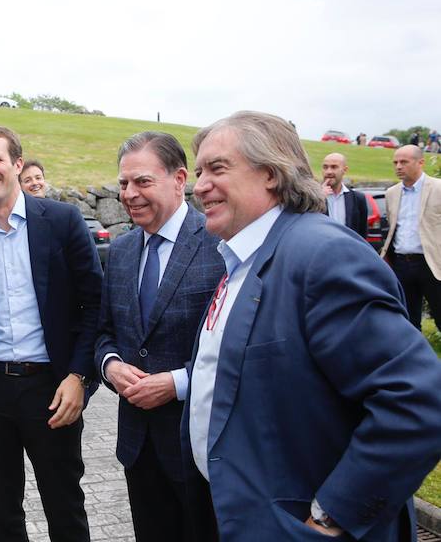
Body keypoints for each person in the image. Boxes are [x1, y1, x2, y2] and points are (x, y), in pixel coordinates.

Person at [185, 111, 441, 541]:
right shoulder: (242, 258)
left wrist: (331, 517)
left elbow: (419, 401)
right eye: (198, 172)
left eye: (217, 168)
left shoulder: (322, 254)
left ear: (270, 173)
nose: (200, 185)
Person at [0, 124, 102, 541]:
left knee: (64, 505)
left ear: (17, 164)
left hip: (51, 387)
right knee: (2, 511)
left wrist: (79, 376)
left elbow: (94, 305)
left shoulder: (62, 221)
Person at [95, 131, 223, 542]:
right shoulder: (120, 252)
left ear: (179, 178)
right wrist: (111, 366)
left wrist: (177, 383)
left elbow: (236, 347)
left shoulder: (221, 244)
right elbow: (104, 333)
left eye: (142, 181)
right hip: (138, 447)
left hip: (201, 447)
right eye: (123, 183)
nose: (129, 194)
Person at [381, 145, 441, 330]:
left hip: (432, 264)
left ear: (420, 162)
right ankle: (413, 358)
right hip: (402, 264)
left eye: (404, 162)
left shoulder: (438, 188)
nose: (398, 166)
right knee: (407, 320)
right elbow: (393, 229)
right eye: (395, 162)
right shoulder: (391, 193)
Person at [321, 152, 368, 238]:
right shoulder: (312, 197)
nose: (328, 171)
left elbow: (362, 233)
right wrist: (319, 198)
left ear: (345, 170)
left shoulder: (358, 198)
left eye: (334, 167)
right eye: (325, 167)